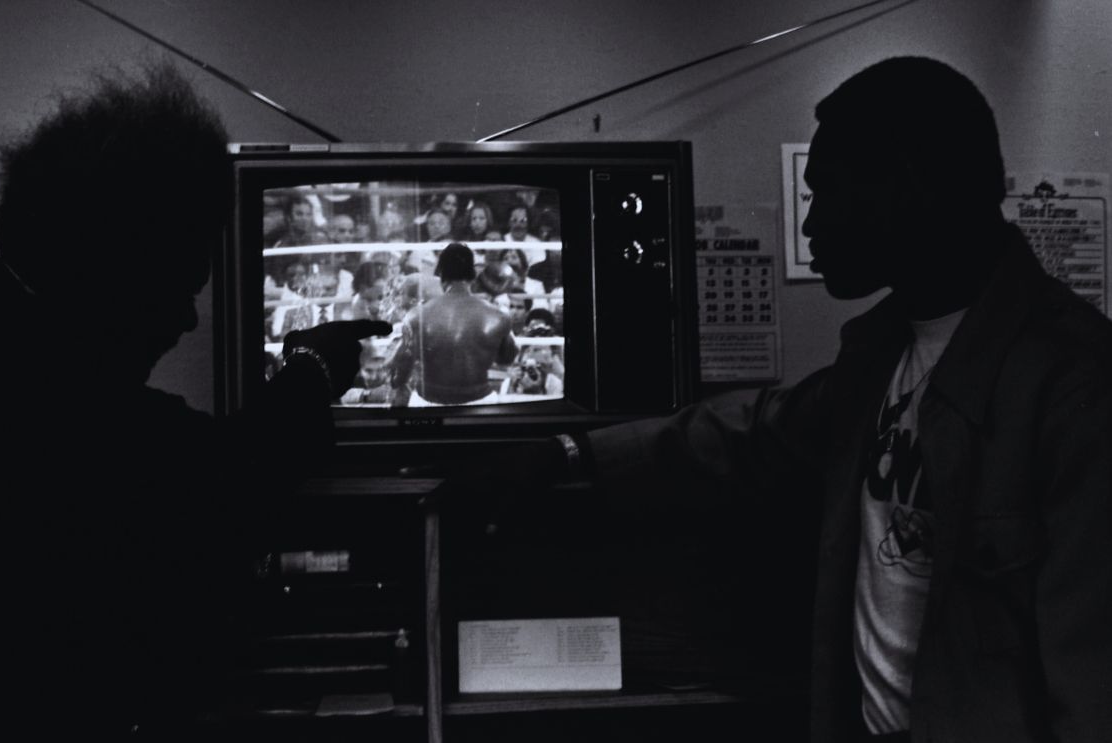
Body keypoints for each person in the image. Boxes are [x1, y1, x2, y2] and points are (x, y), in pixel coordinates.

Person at [462, 57, 1112, 743]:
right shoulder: (883, 352)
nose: (810, 228)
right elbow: (751, 431)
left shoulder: (1076, 386)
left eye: (826, 194)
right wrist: (567, 451)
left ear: (908, 187)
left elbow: (1092, 691)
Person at [0, 63, 391, 736]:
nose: (190, 320)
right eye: (181, 284)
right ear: (116, 265)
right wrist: (313, 364)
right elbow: (222, 476)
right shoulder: (15, 369)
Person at [390, 243, 518, 406]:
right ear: (472, 276)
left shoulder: (417, 315)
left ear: (441, 275)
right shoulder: (498, 316)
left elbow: (398, 375)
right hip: (480, 402)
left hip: (429, 404)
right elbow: (506, 359)